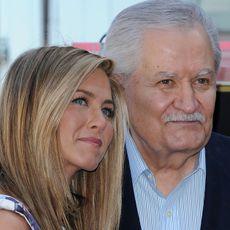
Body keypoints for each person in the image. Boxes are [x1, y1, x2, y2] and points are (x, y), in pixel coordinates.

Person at [102, 1, 230, 230]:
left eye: (201, 81)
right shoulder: (80, 182)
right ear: (119, 88)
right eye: (166, 82)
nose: (189, 104)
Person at [0, 46, 126, 229]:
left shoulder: (62, 217)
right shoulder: (9, 221)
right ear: (33, 110)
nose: (101, 122)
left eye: (107, 111)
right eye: (80, 101)